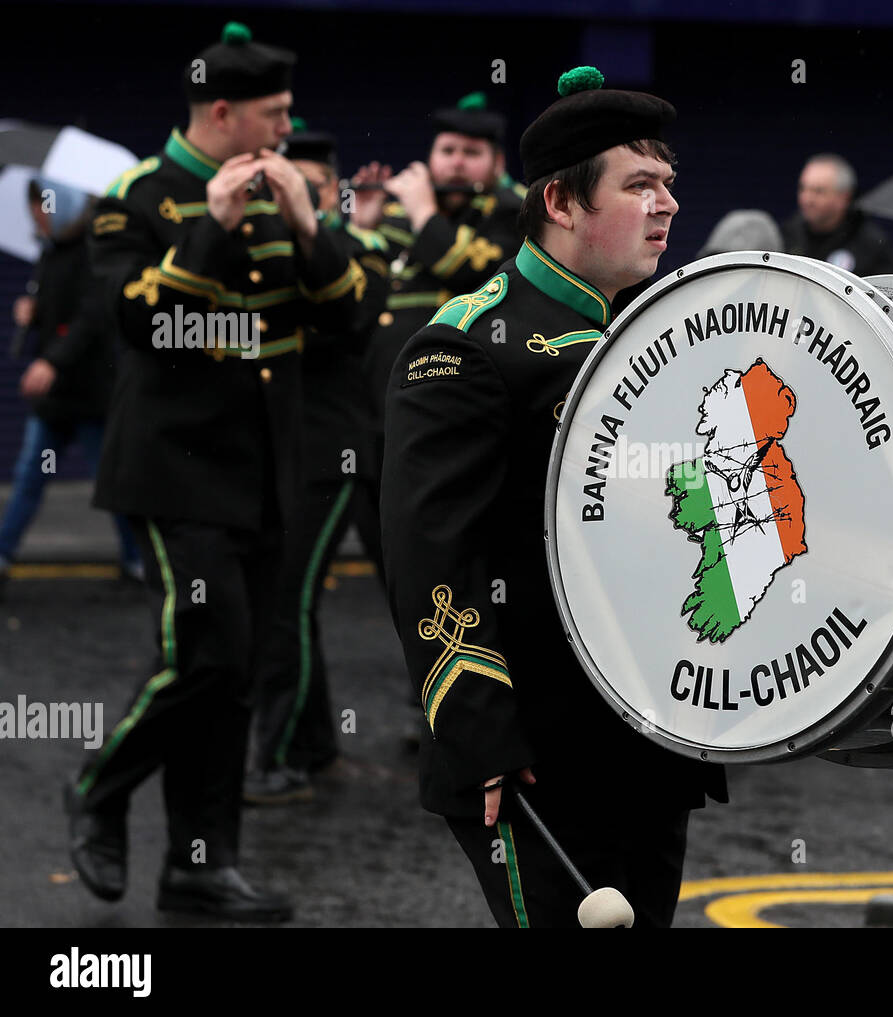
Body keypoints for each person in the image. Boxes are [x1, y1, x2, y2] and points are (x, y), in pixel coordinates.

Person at [381, 65, 726, 928]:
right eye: (639, 185)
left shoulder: (663, 332)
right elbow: (433, 559)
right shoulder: (466, 347)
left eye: (668, 184)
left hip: (648, 738)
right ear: (562, 203)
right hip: (534, 753)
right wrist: (478, 730)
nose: (667, 205)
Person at [65, 22, 370, 921]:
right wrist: (213, 229)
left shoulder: (290, 192)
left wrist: (312, 229)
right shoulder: (140, 195)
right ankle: (97, 784)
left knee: (235, 674)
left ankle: (201, 863)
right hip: (177, 466)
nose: (286, 130)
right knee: (208, 653)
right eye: (273, 116)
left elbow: (350, 318)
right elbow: (137, 325)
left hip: (270, 467)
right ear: (224, 111)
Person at [244, 122, 388, 803]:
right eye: (284, 182)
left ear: (337, 192)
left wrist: (306, 231)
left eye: (313, 184)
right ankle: (316, 747)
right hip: (273, 450)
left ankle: (269, 761)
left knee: (285, 604)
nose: (299, 194)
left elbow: (350, 318)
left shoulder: (360, 249)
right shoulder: (257, 248)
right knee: (284, 603)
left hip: (332, 451)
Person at [348, 91, 524, 589]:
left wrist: (424, 213)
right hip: (378, 416)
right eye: (447, 150)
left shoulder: (518, 212)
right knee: (389, 555)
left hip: (458, 417)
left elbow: (483, 274)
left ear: (496, 162)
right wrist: (363, 228)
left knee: (452, 562)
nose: (456, 162)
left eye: (471, 153)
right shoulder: (394, 217)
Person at [0, 179, 141, 599]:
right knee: (31, 476)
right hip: (55, 402)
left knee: (109, 483)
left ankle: (137, 560)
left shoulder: (94, 251)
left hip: (91, 397)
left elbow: (91, 319)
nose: (35, 219)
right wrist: (34, 312)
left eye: (40, 209)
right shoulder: (50, 251)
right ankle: (3, 554)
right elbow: (59, 314)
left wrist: (51, 360)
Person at [781, 154, 893, 274]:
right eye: (803, 189)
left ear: (844, 198)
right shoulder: (788, 235)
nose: (807, 199)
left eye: (818, 191)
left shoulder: (871, 245)